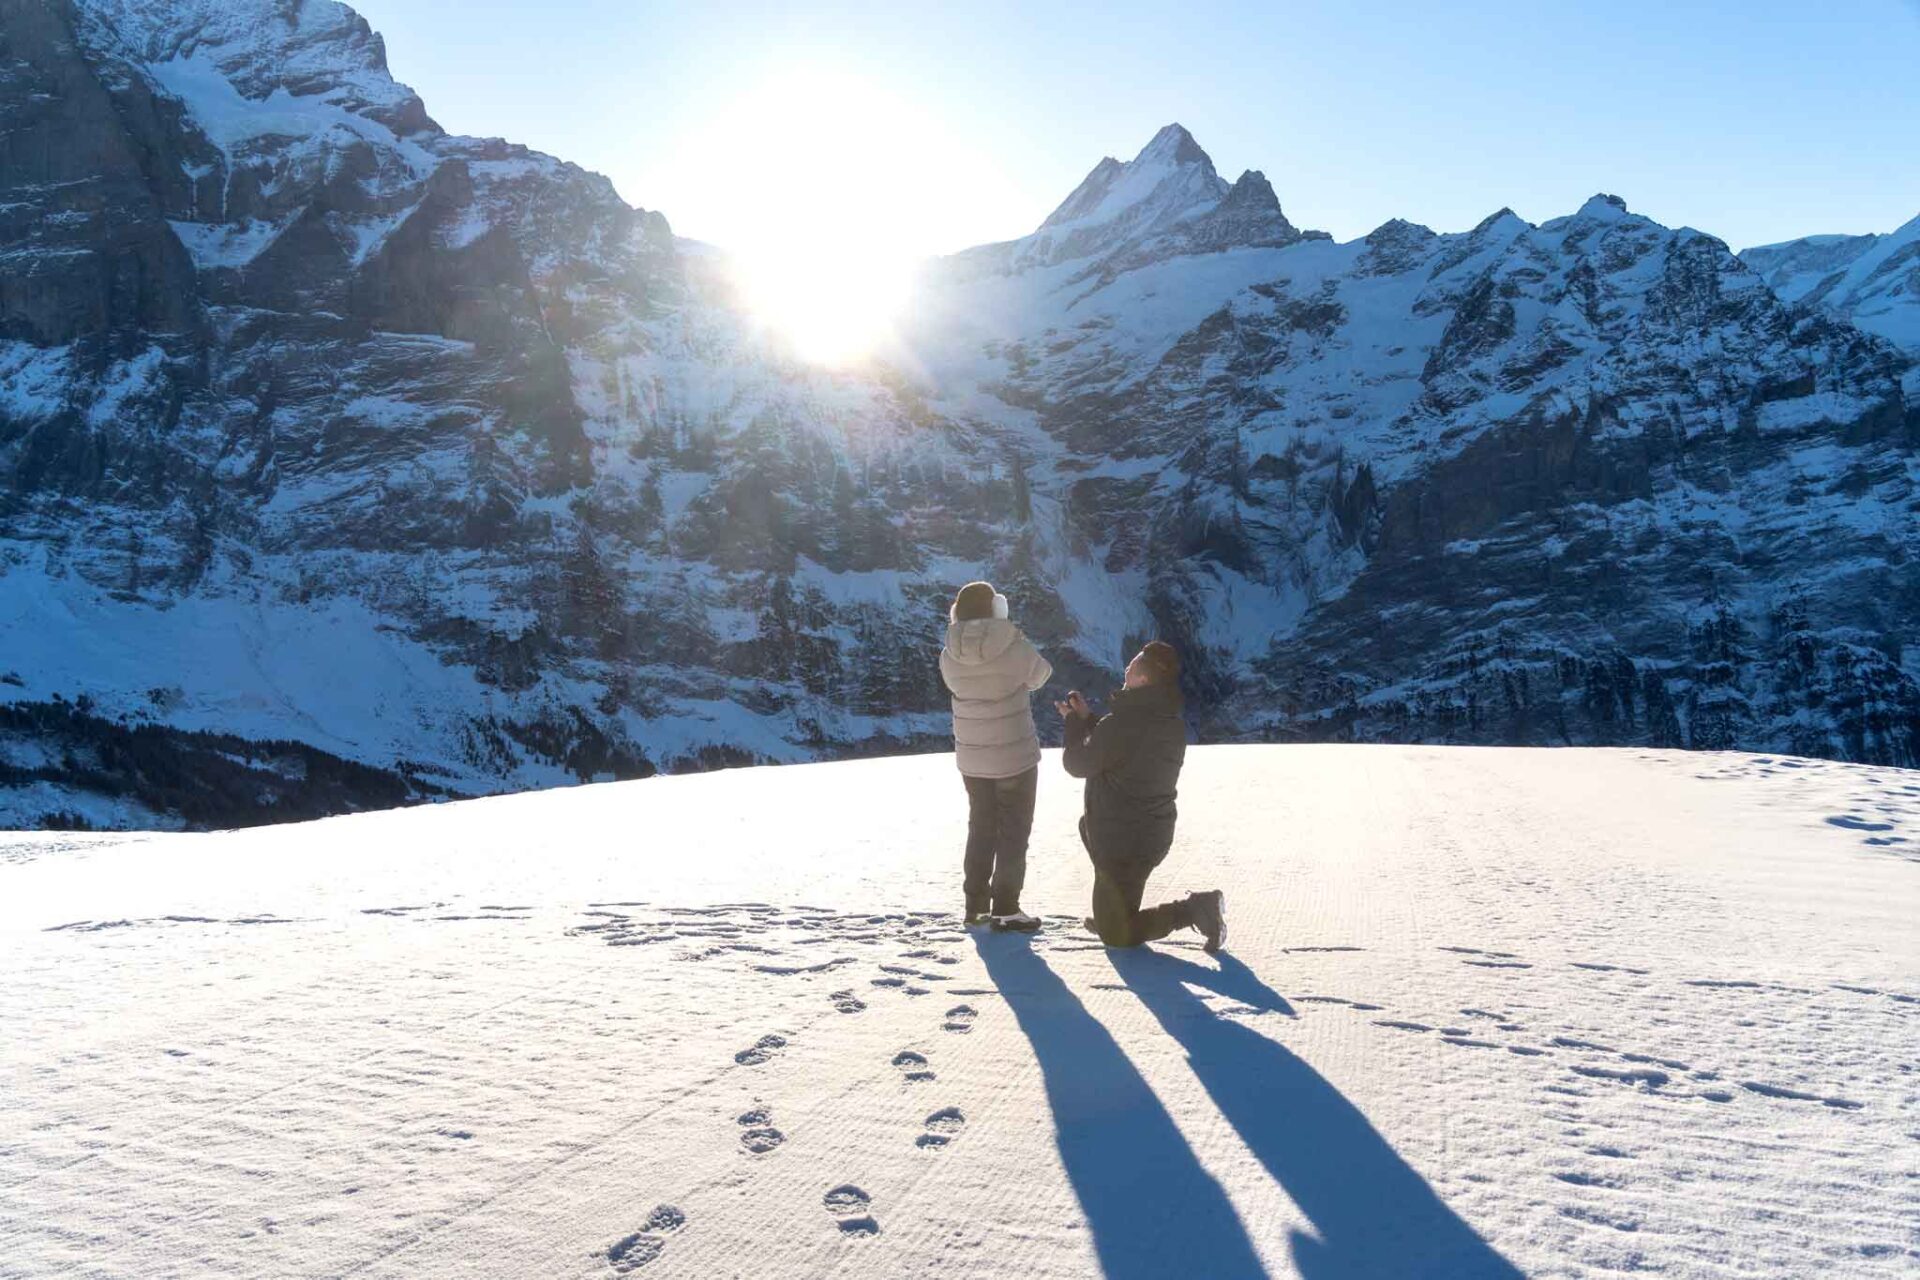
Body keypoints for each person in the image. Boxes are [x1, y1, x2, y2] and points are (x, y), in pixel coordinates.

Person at [1058, 641, 1225, 952]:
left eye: (1132, 668)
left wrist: (1073, 724)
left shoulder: (1121, 724)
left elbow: (1077, 764)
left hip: (1122, 840)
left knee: (1116, 935)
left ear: (1144, 680)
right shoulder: (1168, 721)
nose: (1125, 670)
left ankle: (1195, 910)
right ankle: (1111, 912)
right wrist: (1091, 721)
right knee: (1108, 891)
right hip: (1147, 834)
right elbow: (1126, 749)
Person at [940, 581, 1052, 929]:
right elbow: (1041, 674)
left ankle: (975, 905)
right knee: (1013, 831)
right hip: (1014, 756)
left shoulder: (948, 653)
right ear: (997, 608)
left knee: (982, 827)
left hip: (972, 759)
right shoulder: (1013, 646)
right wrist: (1017, 641)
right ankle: (1006, 908)